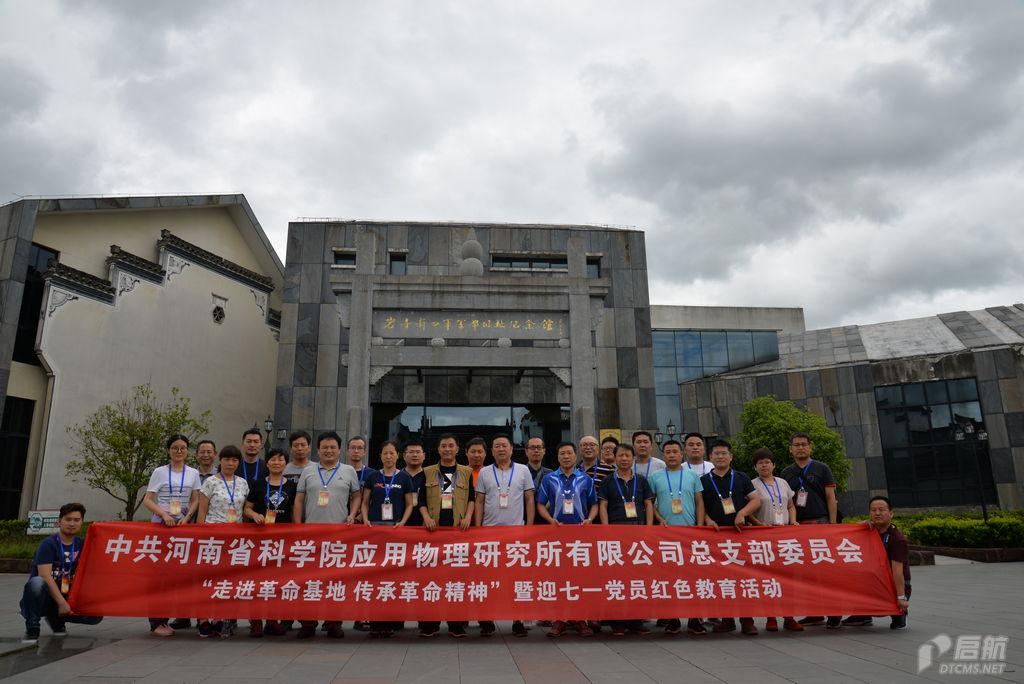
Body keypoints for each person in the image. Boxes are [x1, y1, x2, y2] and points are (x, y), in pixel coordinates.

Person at [293, 431, 361, 639]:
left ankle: (333, 622)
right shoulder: (308, 471)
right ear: (318, 450)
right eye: (325, 447)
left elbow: (357, 496)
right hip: (311, 535)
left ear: (339, 450)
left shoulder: (349, 471)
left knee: (336, 582)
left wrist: (352, 514)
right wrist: (298, 526)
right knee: (309, 581)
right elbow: (299, 500)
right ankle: (308, 622)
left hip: (339, 536)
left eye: (333, 447)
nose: (329, 451)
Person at [476, 434, 535, 638]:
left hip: (515, 534)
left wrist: (529, 527)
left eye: (504, 445)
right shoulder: (484, 472)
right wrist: (478, 528)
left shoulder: (523, 470)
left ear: (511, 449)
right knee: (488, 580)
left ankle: (518, 620)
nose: (501, 449)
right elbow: (480, 501)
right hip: (489, 533)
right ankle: (487, 620)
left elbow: (529, 499)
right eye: (497, 446)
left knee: (516, 580)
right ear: (491, 451)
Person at [536, 442, 597, 637]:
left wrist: (589, 519)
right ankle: (559, 619)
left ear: (575, 455)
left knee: (581, 577)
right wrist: (550, 520)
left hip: (580, 537)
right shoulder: (549, 479)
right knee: (558, 578)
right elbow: (540, 504)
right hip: (557, 536)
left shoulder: (585, 479)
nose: (566, 456)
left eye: (569, 453)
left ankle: (580, 619)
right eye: (562, 453)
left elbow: (594, 504)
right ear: (557, 456)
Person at [142, 434, 201, 637]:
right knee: (159, 575)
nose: (179, 451)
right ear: (168, 450)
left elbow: (195, 499)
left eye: (183, 447)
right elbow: (148, 499)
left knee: (175, 576)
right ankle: (156, 621)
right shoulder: (159, 472)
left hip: (182, 526)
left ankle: (165, 618)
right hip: (161, 525)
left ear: (187, 451)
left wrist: (188, 517)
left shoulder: (193, 473)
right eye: (175, 447)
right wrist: (164, 514)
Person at [781, 432, 841, 629]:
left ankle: (834, 612)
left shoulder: (822, 468)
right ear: (790, 449)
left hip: (820, 523)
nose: (800, 448)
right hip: (797, 526)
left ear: (810, 447)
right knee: (806, 573)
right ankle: (814, 613)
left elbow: (831, 498)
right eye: (796, 445)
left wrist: (832, 525)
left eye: (803, 444)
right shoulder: (786, 472)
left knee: (825, 571)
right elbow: (786, 501)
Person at [700, 439, 760, 636]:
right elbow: (701, 507)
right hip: (716, 536)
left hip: (740, 535)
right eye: (716, 454)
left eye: (724, 453)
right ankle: (727, 620)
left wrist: (742, 513)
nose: (720, 457)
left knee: (743, 579)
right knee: (722, 580)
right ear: (710, 457)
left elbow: (755, 500)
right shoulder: (703, 480)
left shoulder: (742, 477)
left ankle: (747, 620)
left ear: (731, 456)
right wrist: (708, 520)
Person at [20, 503, 103, 644]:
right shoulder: (48, 544)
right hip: (45, 597)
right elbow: (45, 575)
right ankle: (32, 627)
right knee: (36, 582)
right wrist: (62, 603)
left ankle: (56, 619)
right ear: (59, 522)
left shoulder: (82, 545)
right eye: (68, 519)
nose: (72, 523)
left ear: (82, 522)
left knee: (95, 615)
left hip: (67, 593)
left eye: (76, 520)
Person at [417, 433, 474, 638]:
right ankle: (430, 624)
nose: (447, 449)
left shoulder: (466, 472)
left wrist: (468, 517)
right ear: (438, 449)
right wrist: (426, 518)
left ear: (457, 449)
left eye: (451, 445)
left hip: (457, 533)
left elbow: (472, 498)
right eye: (444, 446)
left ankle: (456, 624)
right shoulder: (428, 472)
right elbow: (421, 500)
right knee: (431, 580)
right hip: (433, 533)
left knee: (455, 581)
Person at [649, 439, 707, 635]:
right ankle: (672, 618)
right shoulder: (655, 477)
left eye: (675, 452)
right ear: (663, 455)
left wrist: (700, 527)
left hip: (690, 533)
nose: (672, 455)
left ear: (682, 454)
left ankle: (695, 619)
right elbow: (650, 503)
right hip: (666, 535)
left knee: (693, 578)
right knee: (670, 578)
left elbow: (699, 502)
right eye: (668, 452)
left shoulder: (692, 475)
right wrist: (659, 519)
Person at [360, 440, 416, 638]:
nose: (389, 456)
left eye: (392, 453)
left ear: (397, 455)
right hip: (375, 530)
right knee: (375, 577)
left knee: (393, 577)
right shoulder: (373, 477)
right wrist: (365, 520)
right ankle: (375, 622)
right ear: (381, 456)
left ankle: (392, 621)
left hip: (396, 531)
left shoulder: (404, 477)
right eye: (385, 453)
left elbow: (410, 504)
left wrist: (403, 522)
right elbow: (365, 502)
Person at [598, 444, 654, 636]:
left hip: (638, 532)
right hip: (616, 531)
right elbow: (603, 505)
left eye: (627, 456)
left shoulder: (642, 480)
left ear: (633, 458)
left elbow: (648, 504)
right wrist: (606, 529)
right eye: (620, 455)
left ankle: (635, 621)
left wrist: (648, 528)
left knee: (637, 579)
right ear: (614, 458)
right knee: (616, 579)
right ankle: (617, 622)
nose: (624, 459)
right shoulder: (607, 481)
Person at [244, 447, 297, 637]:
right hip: (260, 540)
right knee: (257, 581)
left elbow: (294, 511)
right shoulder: (258, 484)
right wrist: (255, 515)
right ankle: (256, 621)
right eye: (273, 459)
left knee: (276, 582)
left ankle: (272, 620)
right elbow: (247, 508)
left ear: (286, 463)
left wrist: (297, 532)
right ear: (267, 463)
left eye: (280, 459)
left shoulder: (292, 486)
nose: (276, 463)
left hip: (282, 541)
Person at [197, 445, 249, 637]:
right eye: (227, 459)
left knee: (226, 581)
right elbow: (202, 510)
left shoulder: (243, 483)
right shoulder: (210, 482)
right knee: (207, 579)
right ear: (221, 460)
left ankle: (219, 618)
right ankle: (203, 619)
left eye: (235, 460)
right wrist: (200, 535)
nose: (230, 463)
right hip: (213, 538)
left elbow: (244, 510)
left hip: (234, 540)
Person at [750, 448, 803, 633]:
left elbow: (790, 505)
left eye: (767, 462)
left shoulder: (783, 483)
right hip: (763, 537)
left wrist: (793, 521)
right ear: (755, 467)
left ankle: (789, 617)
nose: (764, 465)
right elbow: (748, 511)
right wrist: (758, 524)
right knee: (768, 580)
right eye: (760, 463)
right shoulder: (752, 485)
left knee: (787, 579)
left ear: (774, 465)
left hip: (784, 536)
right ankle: (771, 617)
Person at [843, 497, 911, 629]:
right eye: (873, 510)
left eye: (882, 510)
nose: (877, 513)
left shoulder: (897, 539)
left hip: (893, 582)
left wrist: (901, 597)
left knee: (897, 616)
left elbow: (898, 572)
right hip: (872, 580)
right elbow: (845, 537)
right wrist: (860, 525)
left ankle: (899, 612)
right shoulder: (868, 530)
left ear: (891, 513)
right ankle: (863, 614)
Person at [402, 440, 427, 527]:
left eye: (418, 452)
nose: (415, 455)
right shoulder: (397, 476)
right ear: (404, 456)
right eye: (411, 452)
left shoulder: (430, 476)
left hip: (425, 524)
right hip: (400, 524)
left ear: (424, 455)